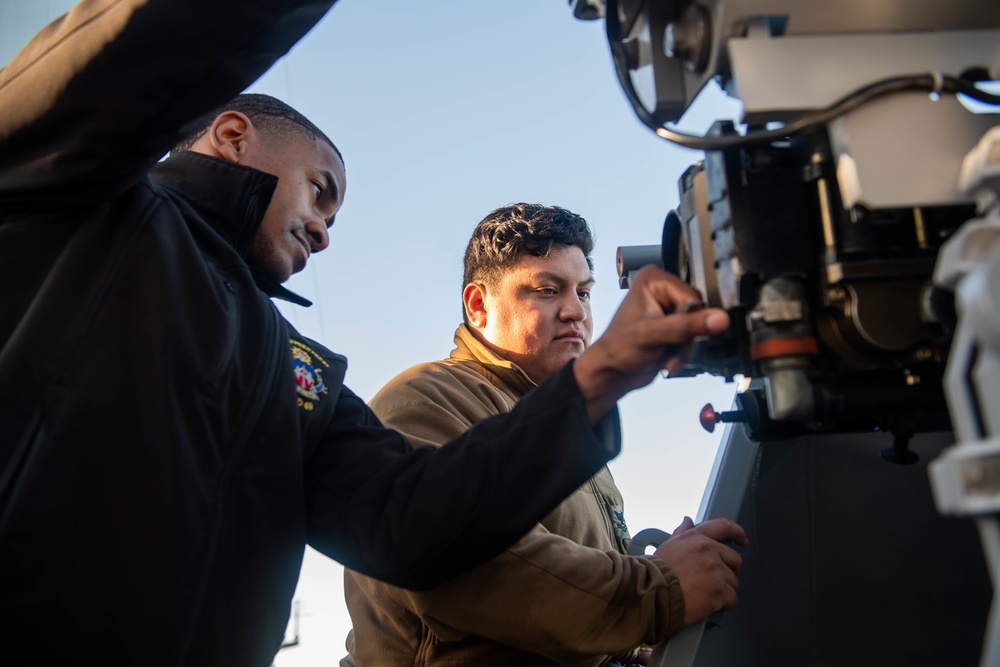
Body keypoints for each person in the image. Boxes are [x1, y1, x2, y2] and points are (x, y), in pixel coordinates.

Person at [0, 1, 743, 664]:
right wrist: (652, 591)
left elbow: (412, 521)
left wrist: (606, 371)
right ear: (231, 135)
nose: (325, 231)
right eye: (321, 191)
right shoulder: (88, 198)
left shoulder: (300, 373)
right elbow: (140, 52)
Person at [341, 203, 746, 667]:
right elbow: (478, 578)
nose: (576, 312)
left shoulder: (553, 422)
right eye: (548, 290)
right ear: (478, 305)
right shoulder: (424, 400)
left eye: (585, 293)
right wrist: (661, 589)